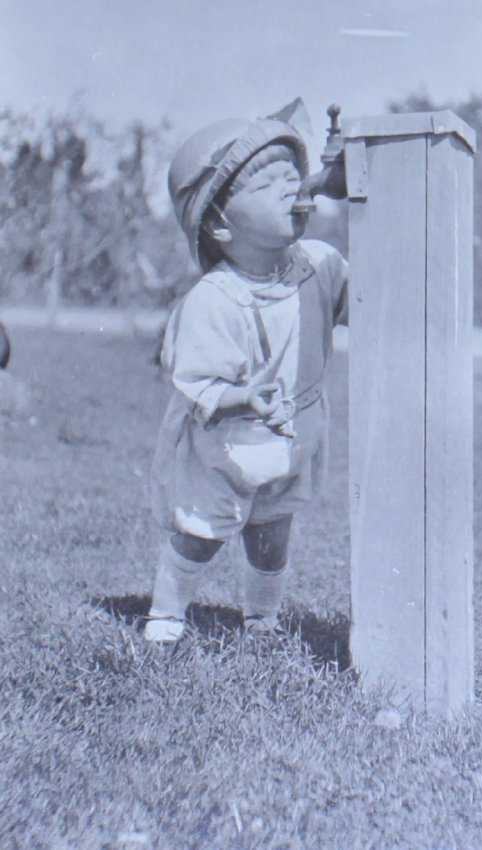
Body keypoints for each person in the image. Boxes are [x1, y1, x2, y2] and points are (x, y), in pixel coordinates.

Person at [145, 105, 348, 643]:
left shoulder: (319, 266)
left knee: (272, 531)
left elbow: (366, 298)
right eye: (269, 183)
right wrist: (242, 398)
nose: (292, 190)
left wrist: (354, 190)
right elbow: (197, 381)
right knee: (201, 532)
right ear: (218, 221)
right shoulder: (215, 298)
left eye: (295, 177)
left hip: (292, 435)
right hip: (226, 441)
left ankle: (261, 618)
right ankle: (167, 611)